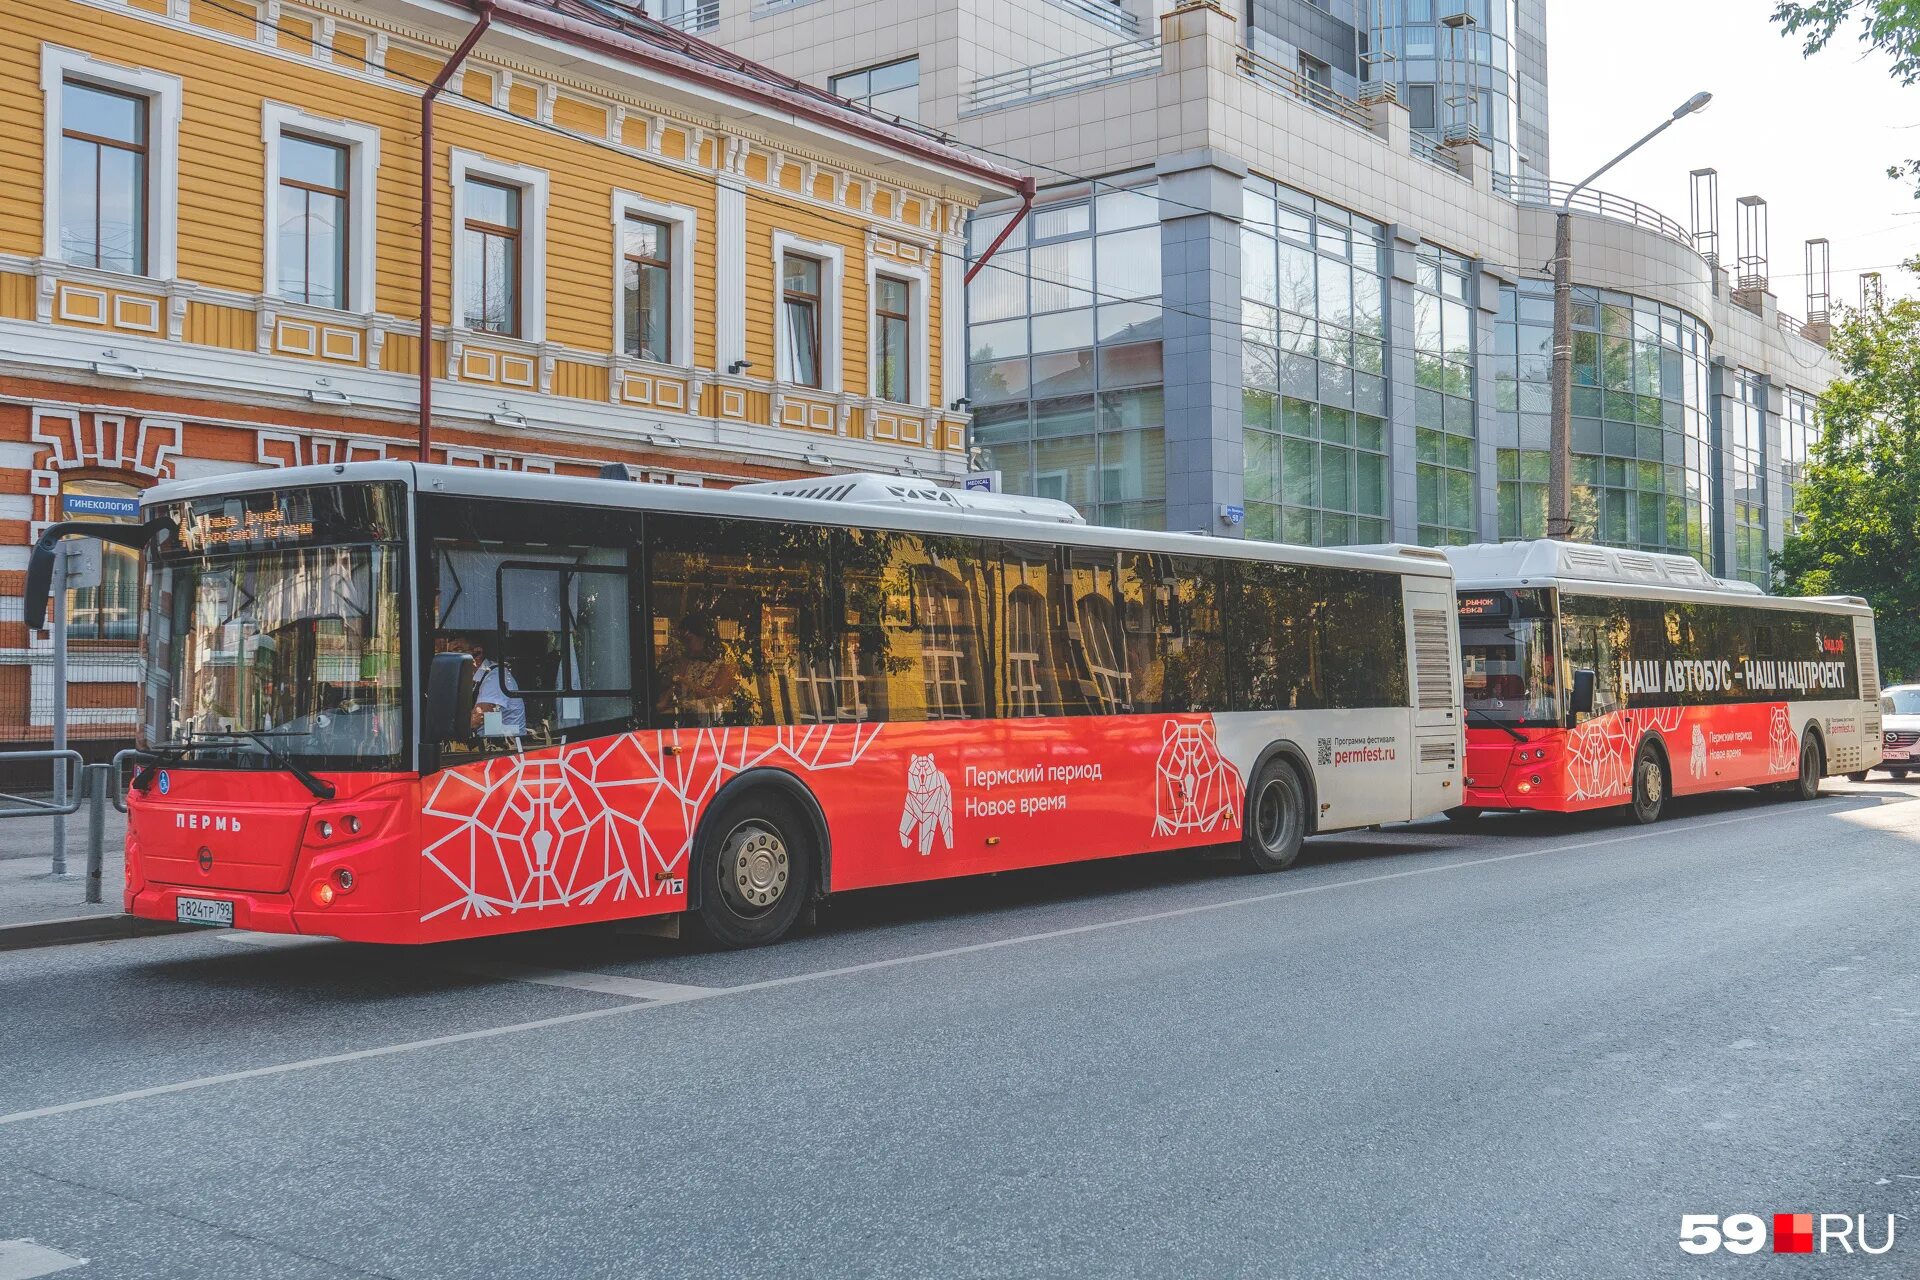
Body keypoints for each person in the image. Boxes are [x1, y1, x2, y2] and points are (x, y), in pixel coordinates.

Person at [656, 610, 739, 725]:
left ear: (703, 637)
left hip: (710, 727)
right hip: (682, 725)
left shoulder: (725, 666)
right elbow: (667, 699)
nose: (685, 646)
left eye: (688, 640)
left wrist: (684, 683)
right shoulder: (684, 662)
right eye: (682, 642)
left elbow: (717, 699)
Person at [456, 633, 526, 739]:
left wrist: (447, 730)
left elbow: (477, 717)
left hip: (508, 747)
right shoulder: (475, 677)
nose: (452, 657)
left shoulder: (495, 676)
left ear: (477, 653)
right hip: (490, 740)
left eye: (458, 651)